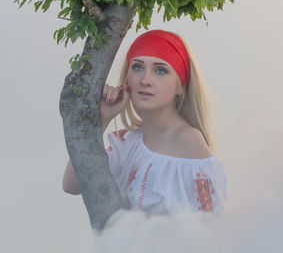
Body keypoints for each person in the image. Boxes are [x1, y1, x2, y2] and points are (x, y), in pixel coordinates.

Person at [62, 29, 227, 216]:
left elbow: (210, 229)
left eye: (160, 70)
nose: (145, 80)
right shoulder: (127, 142)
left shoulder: (188, 141)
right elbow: (72, 184)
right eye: (138, 67)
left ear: (181, 86)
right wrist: (102, 120)